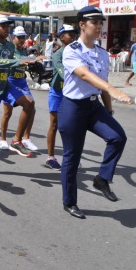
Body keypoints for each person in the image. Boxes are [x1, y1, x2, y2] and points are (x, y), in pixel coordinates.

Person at [58, 6, 131, 219]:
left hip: (94, 106)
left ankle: (102, 178)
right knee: (72, 156)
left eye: (101, 23)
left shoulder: (102, 53)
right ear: (82, 25)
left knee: (118, 137)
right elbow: (85, 75)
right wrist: (113, 90)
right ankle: (69, 202)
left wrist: (108, 107)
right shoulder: (71, 50)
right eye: (94, 23)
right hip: (73, 107)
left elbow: (102, 81)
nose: (99, 27)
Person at [0, 15, 35, 178]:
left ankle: (16, 140)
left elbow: (14, 62)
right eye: (3, 26)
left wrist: (32, 62)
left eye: (7, 26)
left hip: (5, 85)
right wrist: (19, 62)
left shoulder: (10, 46)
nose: (6, 28)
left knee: (29, 103)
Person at [0, 26, 42, 153]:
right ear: (13, 38)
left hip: (22, 82)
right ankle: (3, 139)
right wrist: (29, 60)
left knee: (31, 108)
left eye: (23, 37)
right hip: (10, 82)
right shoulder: (10, 50)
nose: (22, 39)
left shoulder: (24, 50)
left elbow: (25, 64)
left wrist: (34, 64)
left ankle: (26, 138)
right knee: (7, 113)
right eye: (19, 37)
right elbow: (8, 62)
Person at [45, 24, 77, 170]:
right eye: (69, 34)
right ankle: (50, 157)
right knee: (54, 124)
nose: (73, 36)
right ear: (62, 37)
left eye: (73, 34)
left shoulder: (78, 52)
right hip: (58, 92)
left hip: (71, 93)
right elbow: (64, 72)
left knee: (71, 126)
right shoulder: (58, 54)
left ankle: (70, 156)